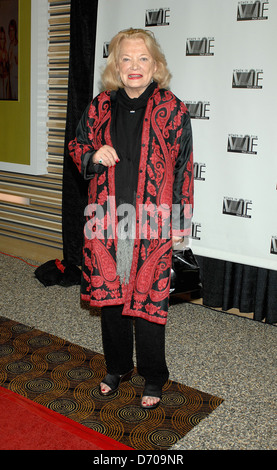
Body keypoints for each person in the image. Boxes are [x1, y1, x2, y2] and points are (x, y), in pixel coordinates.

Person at [68, 28, 194, 409]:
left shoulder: (173, 108)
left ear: (155, 65)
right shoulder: (100, 105)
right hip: (107, 219)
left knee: (150, 305)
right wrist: (93, 156)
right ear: (116, 66)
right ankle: (118, 367)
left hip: (153, 221)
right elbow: (77, 145)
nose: (134, 66)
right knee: (111, 299)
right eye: (126, 58)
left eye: (143, 59)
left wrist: (179, 225)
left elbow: (184, 168)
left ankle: (153, 376)